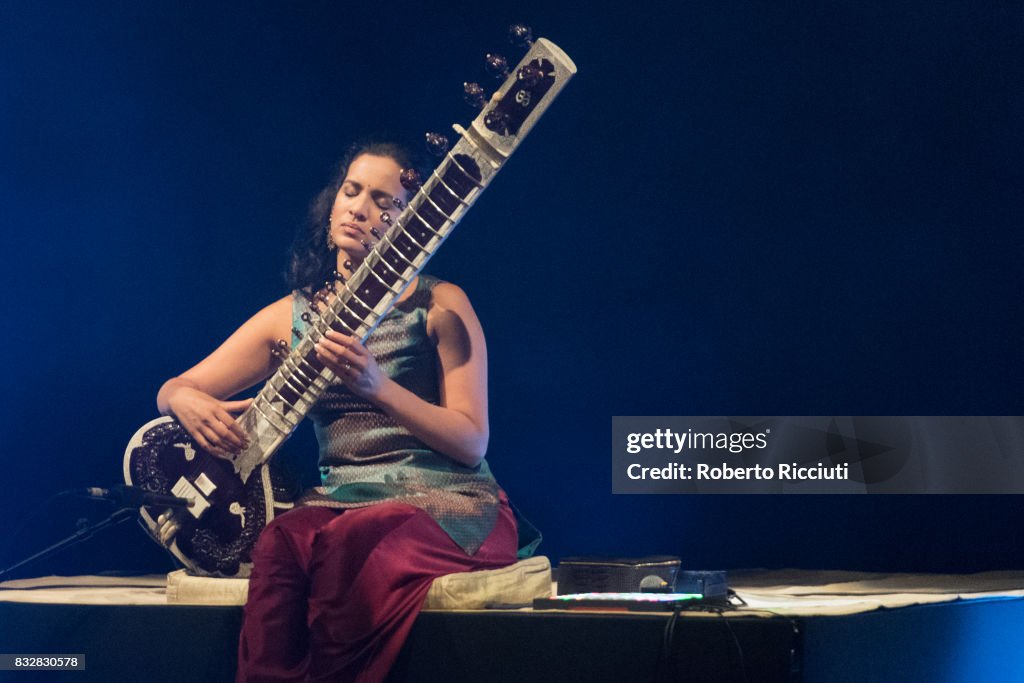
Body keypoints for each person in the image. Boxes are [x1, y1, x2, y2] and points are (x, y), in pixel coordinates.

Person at [154, 140, 536, 682]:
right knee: (282, 543)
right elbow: (177, 385)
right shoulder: (290, 317)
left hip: (447, 500)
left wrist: (376, 385)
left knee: (350, 542)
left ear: (412, 223)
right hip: (342, 500)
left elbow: (472, 441)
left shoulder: (440, 304)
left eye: (384, 201)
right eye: (352, 191)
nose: (359, 208)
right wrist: (182, 397)